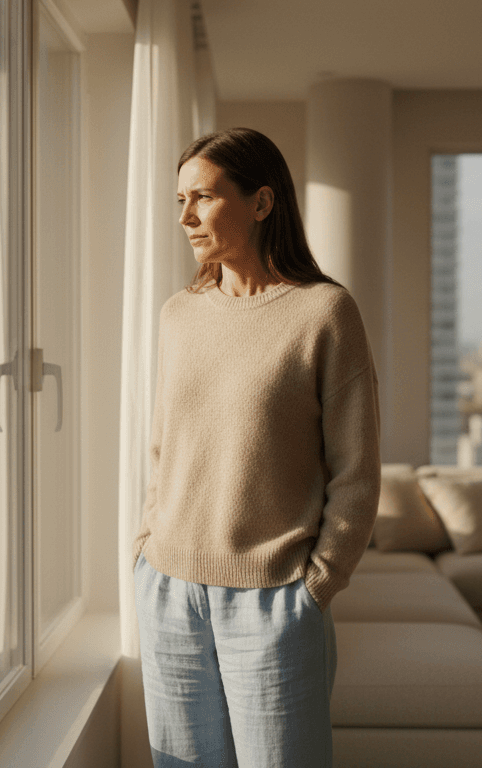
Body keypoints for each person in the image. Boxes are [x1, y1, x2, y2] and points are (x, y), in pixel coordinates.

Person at [132, 127, 381, 766]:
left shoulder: (324, 312)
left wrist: (318, 584)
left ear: (262, 203)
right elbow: (164, 446)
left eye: (205, 198)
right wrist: (146, 547)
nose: (186, 216)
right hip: (168, 589)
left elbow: (355, 471)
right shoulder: (177, 314)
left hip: (274, 595)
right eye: (180, 199)